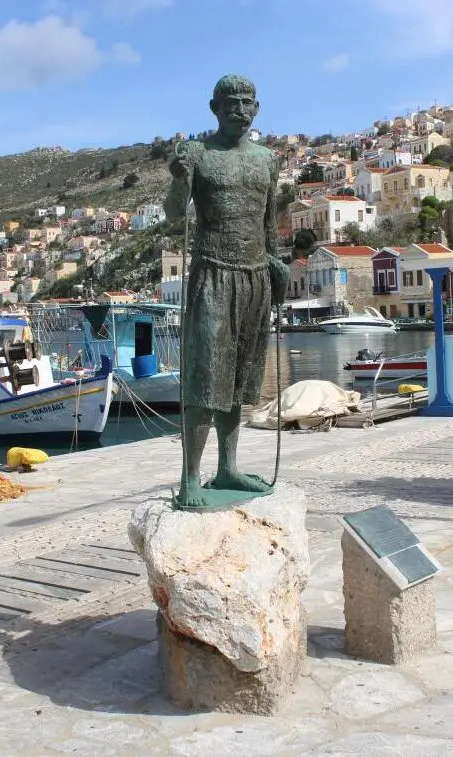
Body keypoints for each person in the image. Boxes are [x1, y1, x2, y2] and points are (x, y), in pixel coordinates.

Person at [165, 74, 288, 511]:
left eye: (247, 102)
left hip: (255, 277)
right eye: (231, 102)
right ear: (214, 107)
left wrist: (277, 264)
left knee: (238, 378)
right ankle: (190, 476)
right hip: (213, 275)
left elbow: (268, 221)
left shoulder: (267, 160)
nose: (239, 108)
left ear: (257, 109)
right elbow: (175, 215)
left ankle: (228, 467)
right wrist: (181, 178)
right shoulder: (199, 155)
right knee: (204, 380)